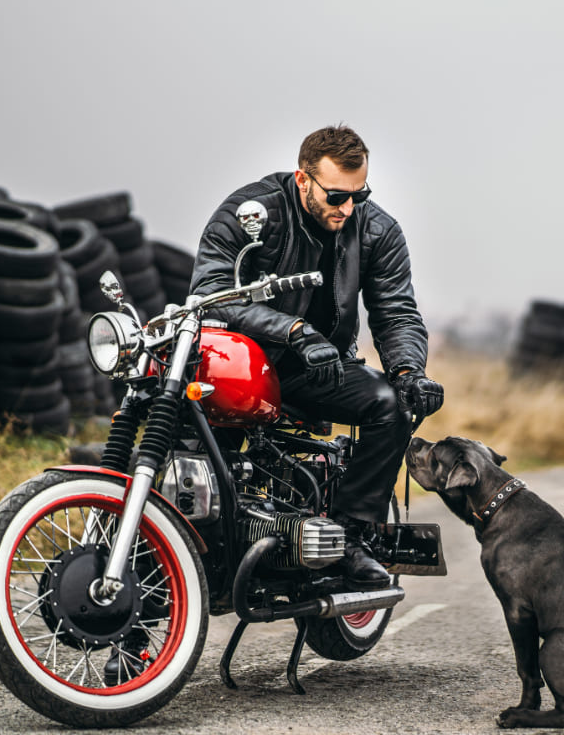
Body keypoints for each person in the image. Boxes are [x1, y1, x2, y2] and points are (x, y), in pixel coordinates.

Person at [189, 124, 444, 591]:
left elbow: (396, 312)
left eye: (358, 195)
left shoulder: (378, 229)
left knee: (393, 404)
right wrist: (291, 330)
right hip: (239, 364)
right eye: (335, 196)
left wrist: (409, 371)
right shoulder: (253, 212)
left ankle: (349, 537)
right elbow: (211, 291)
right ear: (303, 180)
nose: (347, 207)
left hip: (319, 369)